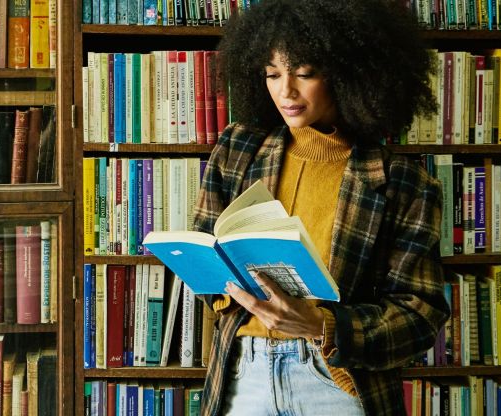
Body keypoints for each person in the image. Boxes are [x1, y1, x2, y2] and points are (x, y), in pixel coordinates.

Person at [192, 0, 449, 414]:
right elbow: (208, 258)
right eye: (272, 74)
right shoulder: (237, 148)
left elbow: (420, 315)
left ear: (348, 75)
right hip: (245, 373)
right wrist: (227, 289)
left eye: (304, 73)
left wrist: (322, 325)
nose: (285, 91)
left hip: (335, 379)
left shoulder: (405, 182)